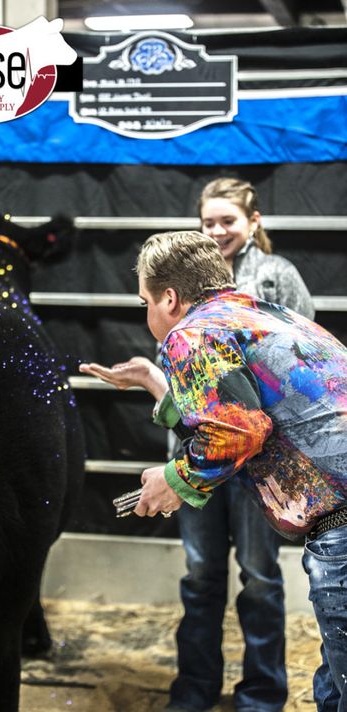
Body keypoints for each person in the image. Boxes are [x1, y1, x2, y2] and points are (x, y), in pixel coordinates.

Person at [79, 230, 347, 712]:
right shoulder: (263, 315)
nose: (147, 314)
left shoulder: (192, 333)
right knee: (331, 688)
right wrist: (150, 381)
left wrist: (175, 479)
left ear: (169, 297)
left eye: (145, 301)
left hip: (342, 530)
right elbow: (237, 411)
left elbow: (236, 431)